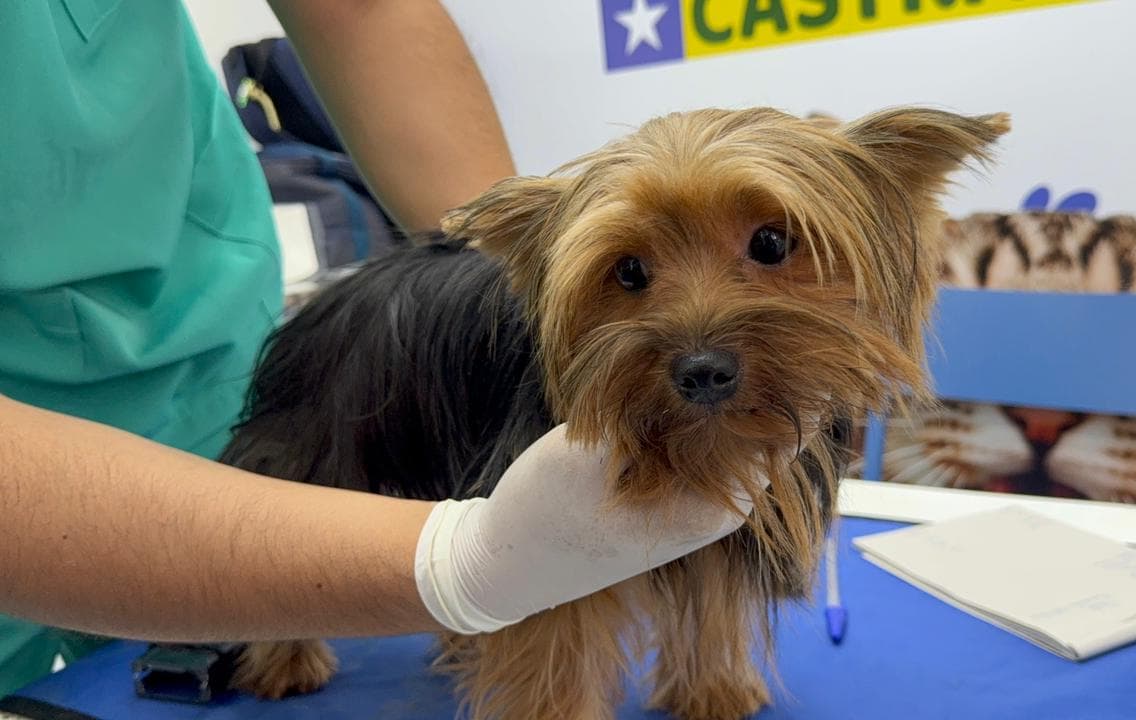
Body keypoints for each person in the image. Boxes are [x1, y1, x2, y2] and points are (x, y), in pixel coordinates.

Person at [0, 0, 760, 696]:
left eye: (766, 248)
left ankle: (706, 668)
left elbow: (363, 7)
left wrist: (519, 269)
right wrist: (453, 569)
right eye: (630, 273)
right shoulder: (359, 333)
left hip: (189, 329)